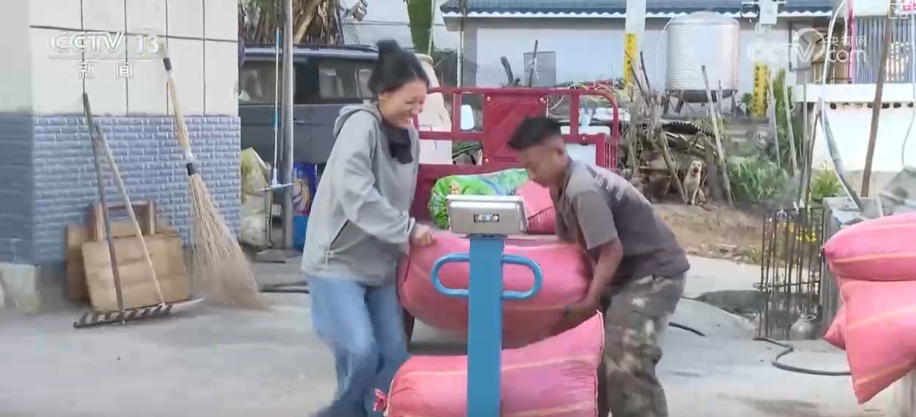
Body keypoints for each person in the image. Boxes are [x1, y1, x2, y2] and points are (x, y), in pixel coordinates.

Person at [507, 116, 690, 417]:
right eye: (526, 168)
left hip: (654, 273)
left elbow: (611, 251)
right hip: (622, 274)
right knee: (591, 355)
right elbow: (569, 246)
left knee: (625, 358)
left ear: (558, 152)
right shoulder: (559, 188)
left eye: (534, 167)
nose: (531, 175)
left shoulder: (582, 190)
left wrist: (591, 300)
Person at [301, 39, 436, 417]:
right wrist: (406, 229)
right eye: (410, 101)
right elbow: (356, 193)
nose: (417, 111)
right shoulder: (360, 127)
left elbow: (404, 197)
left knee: (393, 357)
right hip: (336, 262)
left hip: (380, 266)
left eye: (422, 103)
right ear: (383, 94)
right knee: (360, 352)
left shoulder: (410, 136)